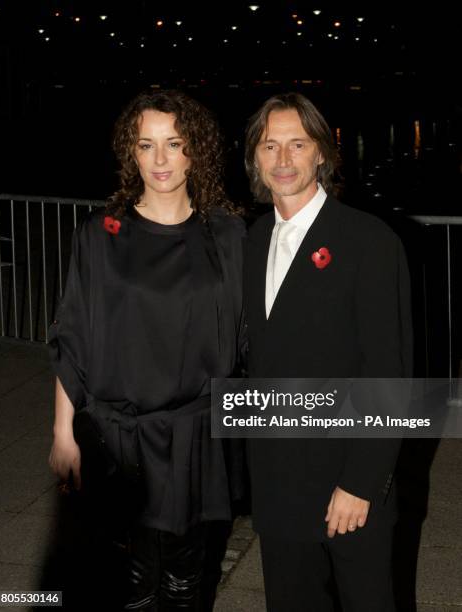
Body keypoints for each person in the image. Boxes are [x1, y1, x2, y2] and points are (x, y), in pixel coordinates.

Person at [48, 89, 246, 611]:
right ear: (129, 153)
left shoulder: (226, 234)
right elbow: (73, 338)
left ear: (194, 150)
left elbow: (255, 332)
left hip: (193, 436)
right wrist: (62, 433)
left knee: (186, 583)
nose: (160, 160)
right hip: (118, 439)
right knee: (128, 585)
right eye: (146, 145)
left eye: (174, 143)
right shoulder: (100, 235)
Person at [243, 92, 413, 612]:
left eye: (298, 144)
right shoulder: (253, 240)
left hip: (347, 486)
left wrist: (361, 483)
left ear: (322, 152)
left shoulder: (368, 241)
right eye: (270, 146)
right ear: (255, 159)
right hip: (277, 487)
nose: (283, 159)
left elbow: (390, 372)